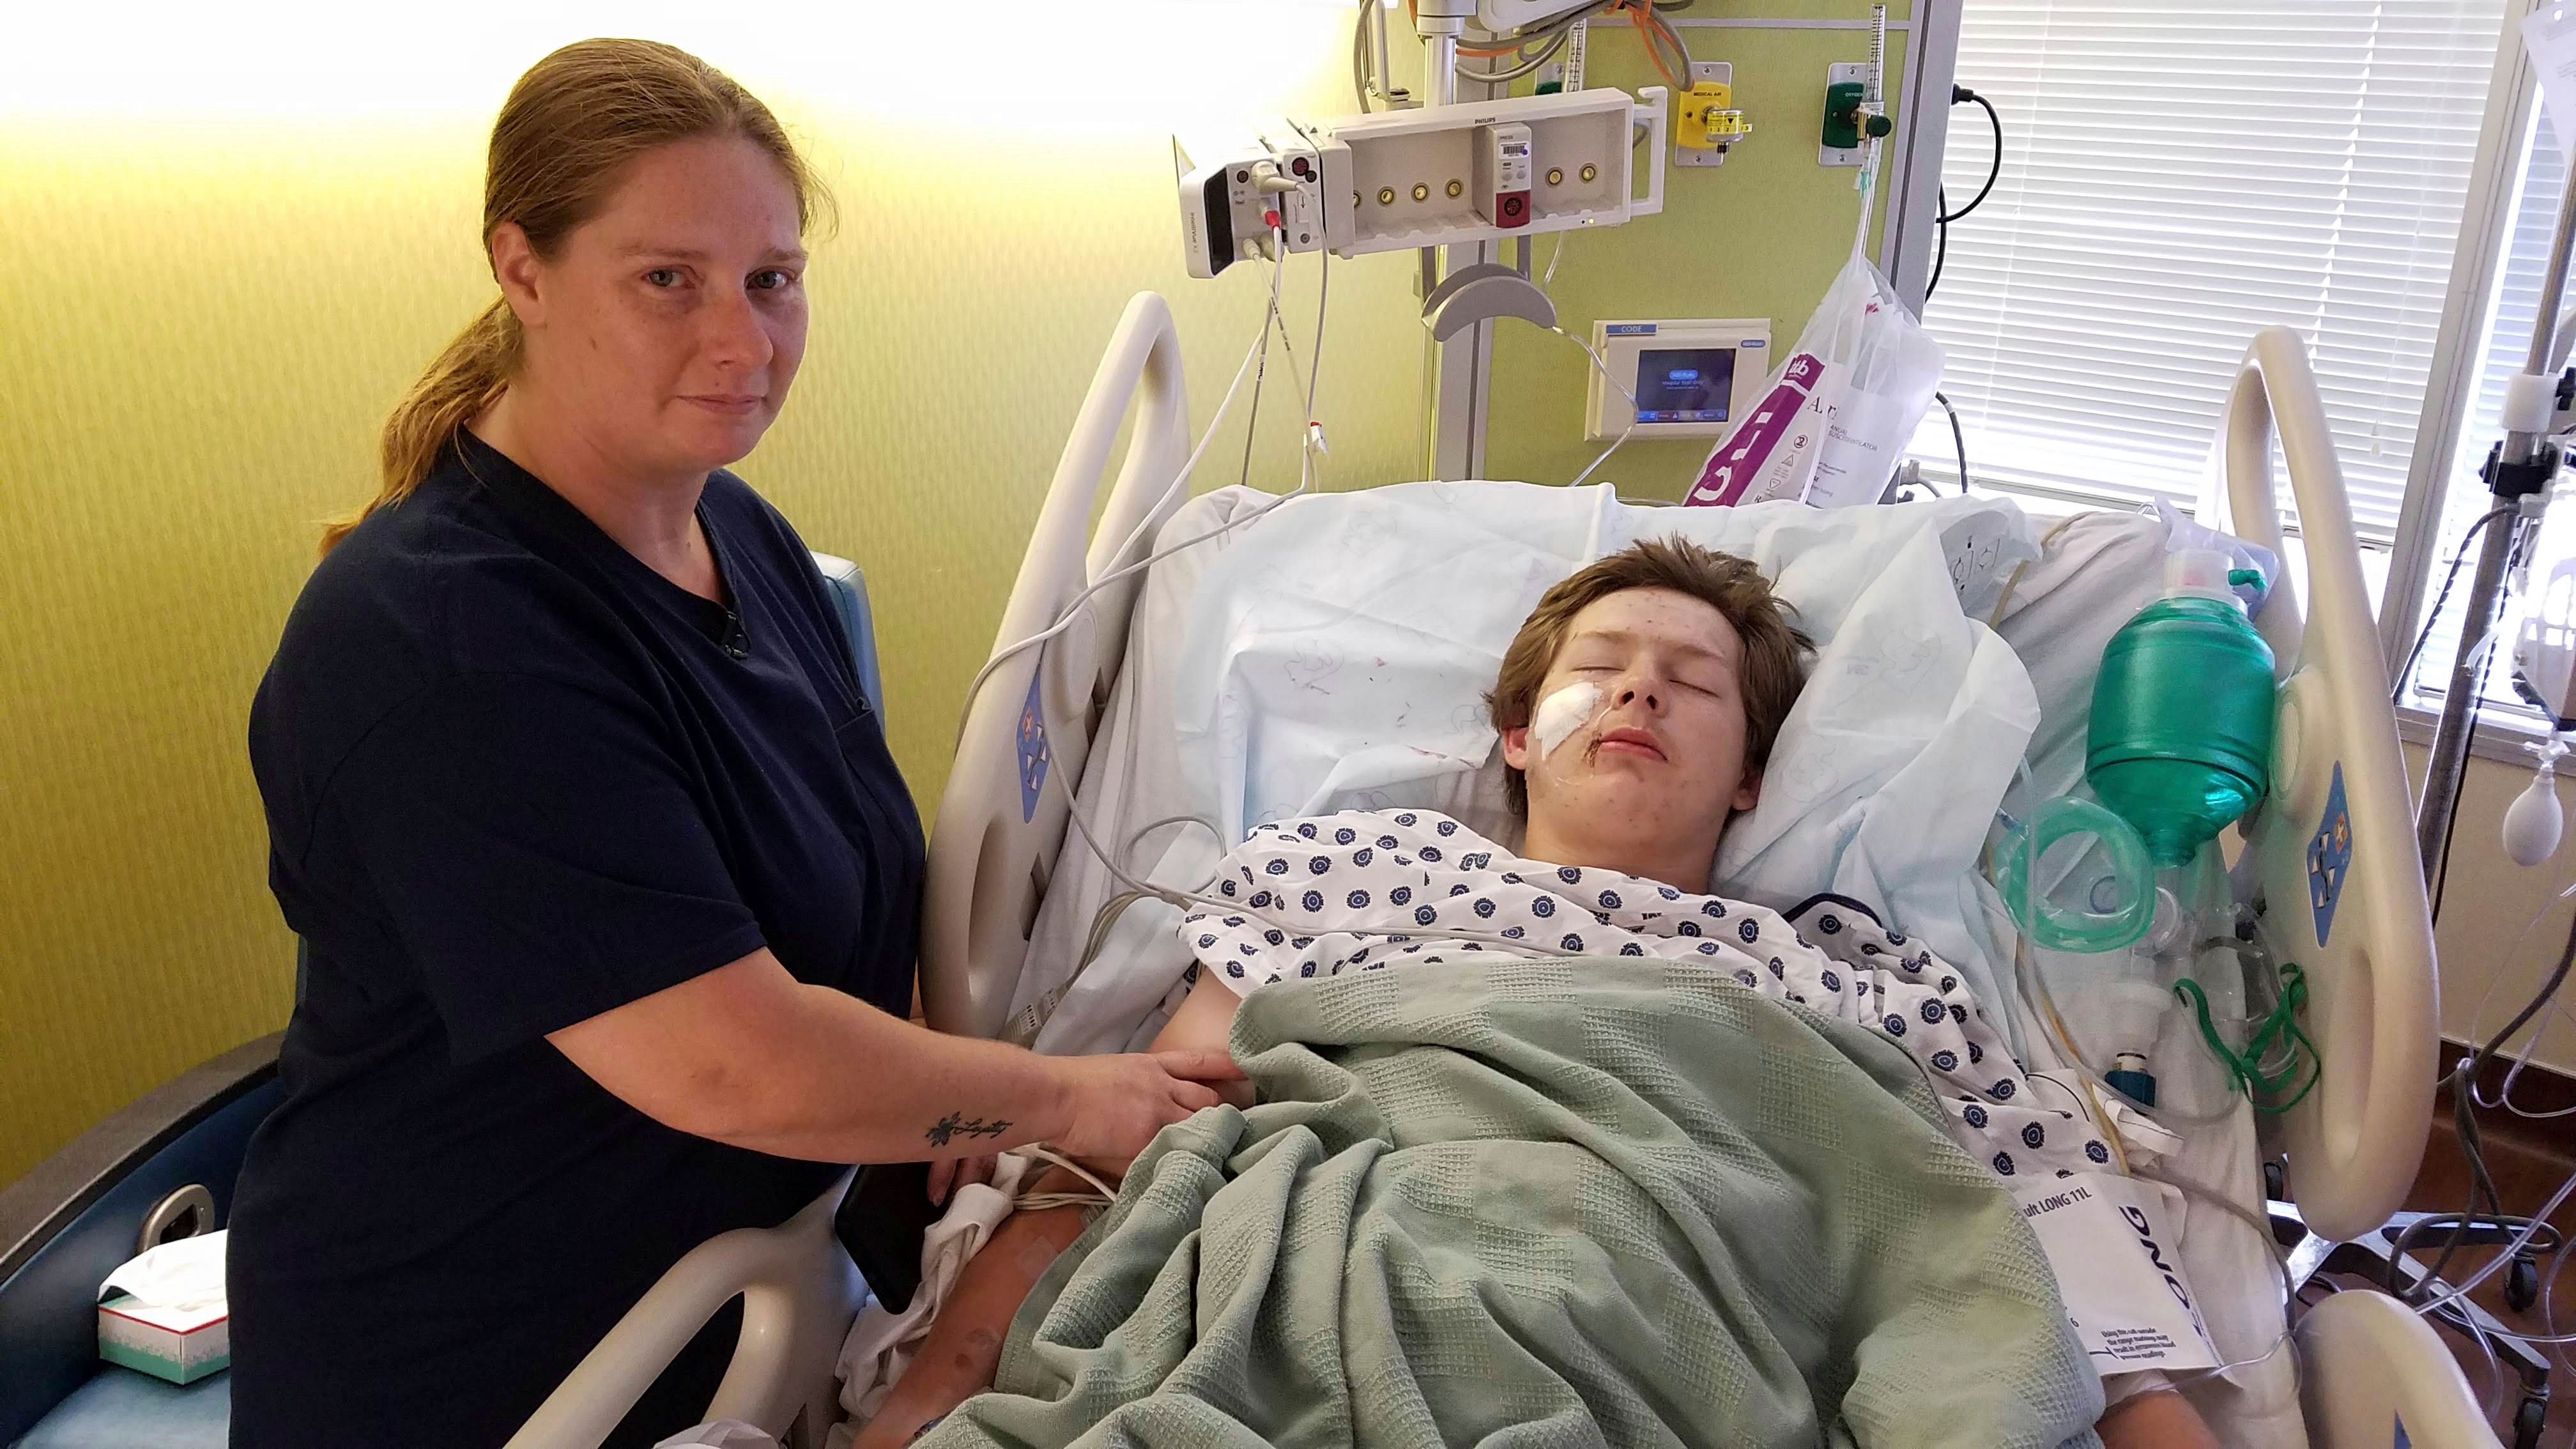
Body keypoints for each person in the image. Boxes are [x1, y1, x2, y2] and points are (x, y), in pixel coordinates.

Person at [231, 40, 1236, 1448]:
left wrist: (948, 1096)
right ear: (521, 270)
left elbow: (837, 904)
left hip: (747, 1282)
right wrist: (1057, 1100)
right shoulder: (441, 642)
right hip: (487, 1351)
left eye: (773, 279)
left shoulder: (735, 536)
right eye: (667, 280)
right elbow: (732, 1064)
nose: (744, 342)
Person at [857, 539, 2218, 1449]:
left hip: (1677, 1321)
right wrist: (946, 1374)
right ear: (1518, 733)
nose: (1640, 688)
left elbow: (2026, 1237)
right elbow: (1137, 1138)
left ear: (1751, 777)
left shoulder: (1852, 971)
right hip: (1341, 1262)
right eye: (1599, 668)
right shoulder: (1355, 865)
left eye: (1696, 685)